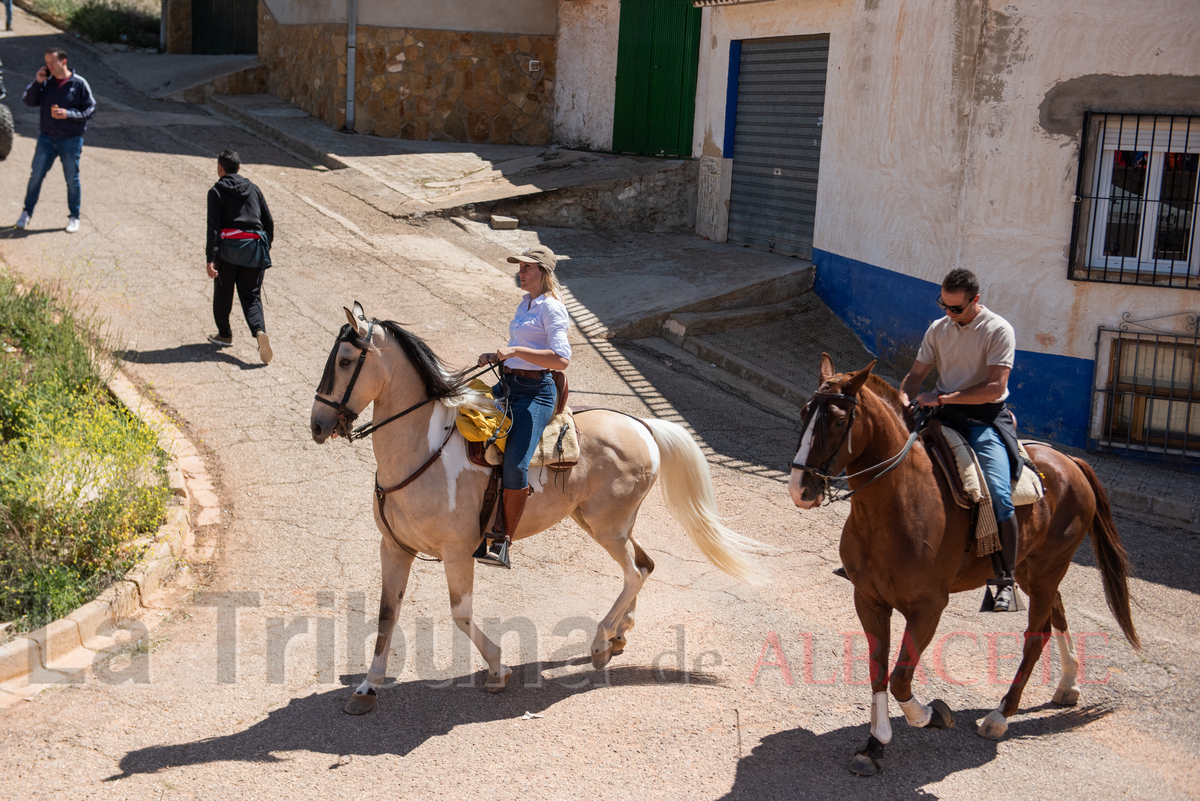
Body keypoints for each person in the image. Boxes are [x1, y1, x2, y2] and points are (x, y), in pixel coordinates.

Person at [899, 268, 1021, 612]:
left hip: (983, 420)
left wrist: (942, 398)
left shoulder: (998, 330)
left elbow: (995, 387)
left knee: (998, 494)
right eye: (943, 305)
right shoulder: (939, 329)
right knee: (889, 466)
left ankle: (1005, 580)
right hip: (940, 415)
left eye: (956, 308)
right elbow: (916, 375)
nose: (948, 314)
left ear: (975, 301)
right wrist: (905, 400)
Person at [474, 245, 571, 569]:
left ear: (542, 272)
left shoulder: (552, 308)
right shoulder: (526, 302)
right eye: (520, 267)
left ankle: (502, 541)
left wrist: (515, 349)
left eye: (527, 267)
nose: (521, 272)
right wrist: (496, 355)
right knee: (465, 418)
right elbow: (523, 349)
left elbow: (561, 359)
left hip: (536, 393)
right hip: (509, 383)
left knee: (516, 464)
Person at [205, 149, 275, 364]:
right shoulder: (254, 189)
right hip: (254, 249)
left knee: (223, 292)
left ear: (220, 168)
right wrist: (264, 247)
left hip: (228, 252)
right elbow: (268, 223)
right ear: (239, 167)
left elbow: (214, 228)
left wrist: (211, 258)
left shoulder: (216, 192)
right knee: (251, 295)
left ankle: (225, 334)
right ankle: (259, 330)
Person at [15, 48, 95, 233]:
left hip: (71, 140)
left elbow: (91, 110)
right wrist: (38, 82)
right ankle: (27, 212)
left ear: (64, 62)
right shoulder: (45, 83)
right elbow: (27, 100)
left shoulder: (79, 83)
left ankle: (74, 216)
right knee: (36, 176)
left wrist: (68, 114)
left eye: (52, 62)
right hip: (46, 138)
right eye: (47, 62)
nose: (48, 66)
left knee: (71, 179)